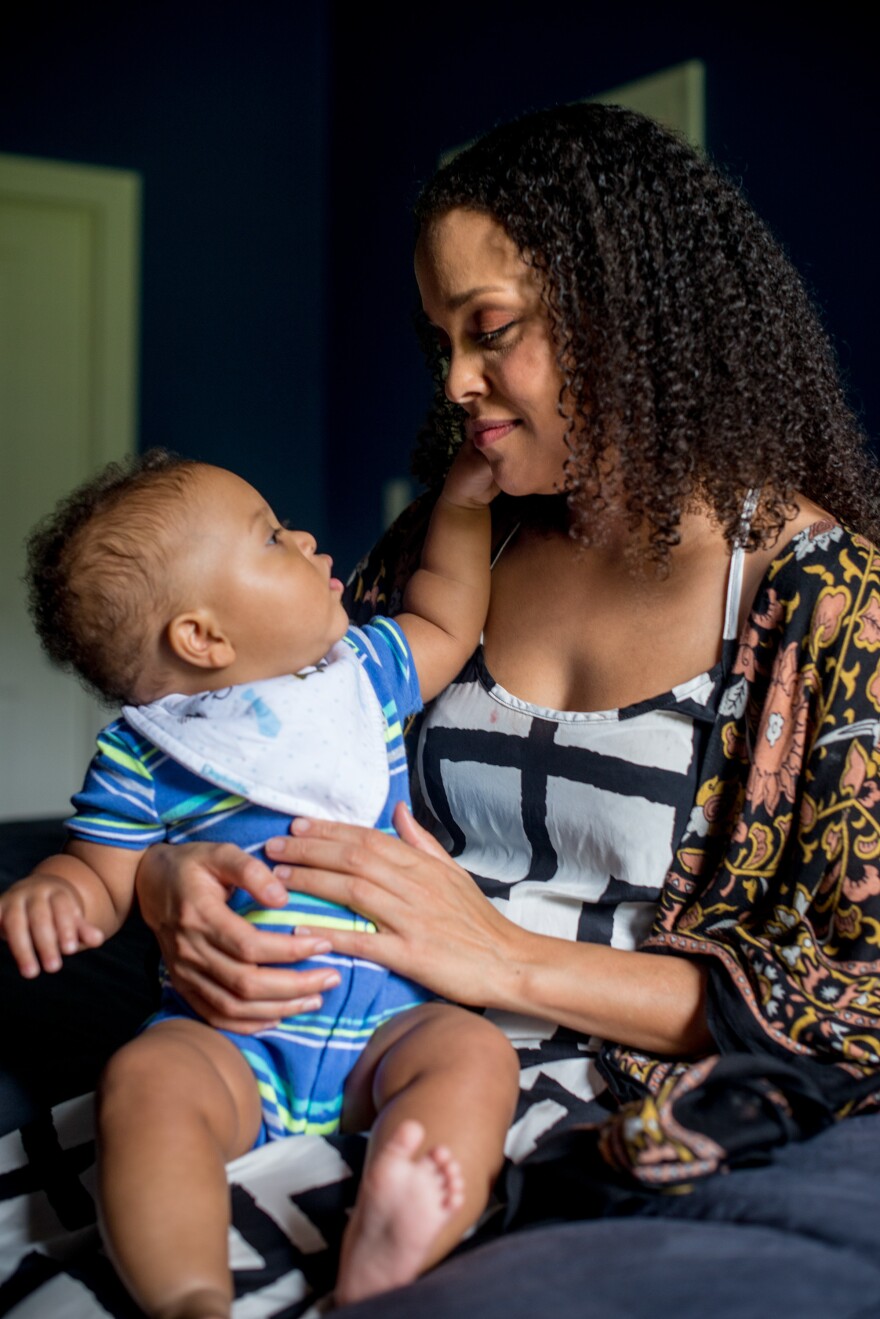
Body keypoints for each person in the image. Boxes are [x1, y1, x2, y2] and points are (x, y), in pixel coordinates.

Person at [135, 101, 880, 1226]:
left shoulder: (827, 606)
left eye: (489, 331)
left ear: (630, 315)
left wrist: (502, 956)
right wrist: (170, 888)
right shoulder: (454, 547)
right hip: (315, 1042)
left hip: (544, 1096)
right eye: (441, 344)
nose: (454, 386)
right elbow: (244, 747)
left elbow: (857, 996)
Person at [0, 449, 519, 1318]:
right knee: (145, 1083)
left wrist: (463, 507)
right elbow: (102, 872)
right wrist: (58, 893)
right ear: (202, 637)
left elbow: (447, 615)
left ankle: (392, 1252)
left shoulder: (360, 677)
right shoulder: (154, 749)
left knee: (473, 1054)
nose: (308, 538)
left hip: (387, 1028)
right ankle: (191, 1294)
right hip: (228, 1038)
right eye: (273, 538)